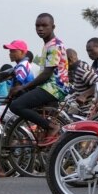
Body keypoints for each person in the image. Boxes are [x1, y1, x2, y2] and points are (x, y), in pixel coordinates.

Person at [8, 14, 70, 143]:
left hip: (54, 87)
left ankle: (51, 127)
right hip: (49, 86)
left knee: (16, 106)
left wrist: (24, 86)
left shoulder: (54, 46)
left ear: (53, 27)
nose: (40, 28)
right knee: (21, 98)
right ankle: (42, 129)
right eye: (37, 26)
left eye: (44, 25)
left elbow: (47, 74)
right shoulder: (48, 44)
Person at [0, 41, 37, 124]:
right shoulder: (22, 65)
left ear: (23, 52)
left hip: (22, 104)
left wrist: (5, 101)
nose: (10, 54)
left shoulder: (22, 66)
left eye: (13, 51)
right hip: (24, 102)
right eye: (10, 51)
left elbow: (16, 88)